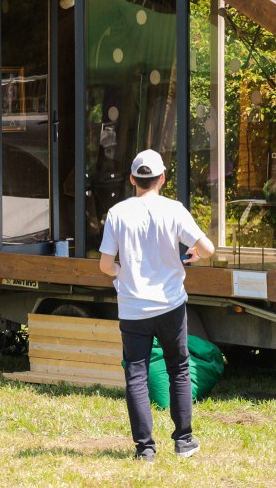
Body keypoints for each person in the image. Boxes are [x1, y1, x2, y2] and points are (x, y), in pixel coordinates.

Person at [98, 149, 216, 462]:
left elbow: (105, 265)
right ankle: (184, 441)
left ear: (132, 179)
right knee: (178, 369)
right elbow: (208, 248)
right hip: (171, 304)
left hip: (133, 307)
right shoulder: (174, 210)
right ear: (162, 178)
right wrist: (195, 254)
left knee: (135, 375)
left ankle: (145, 449)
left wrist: (121, 273)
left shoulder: (118, 213)